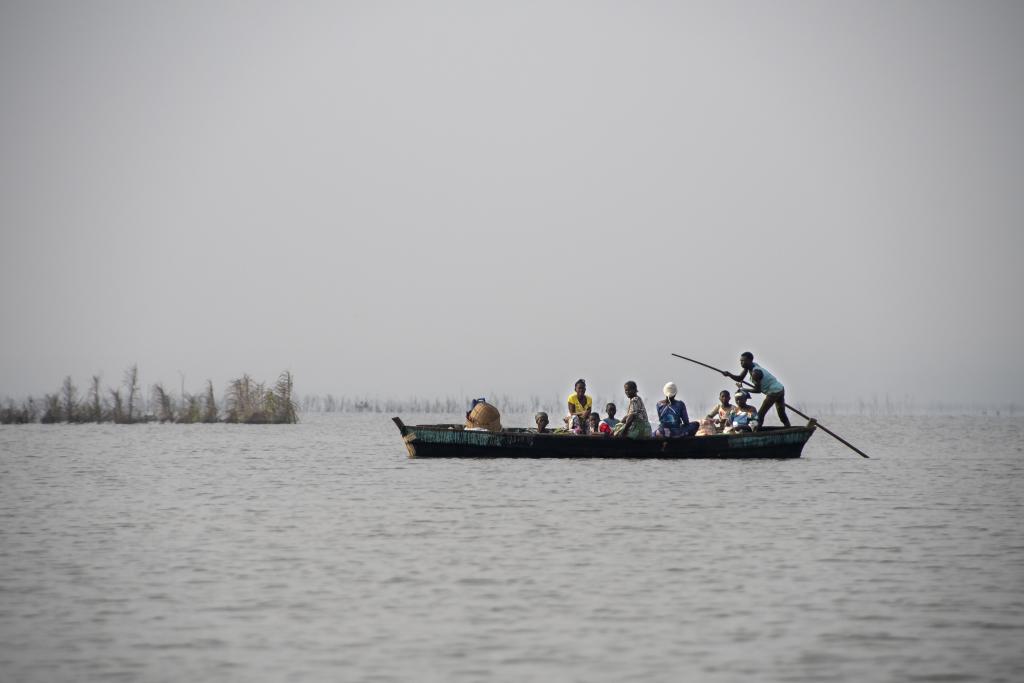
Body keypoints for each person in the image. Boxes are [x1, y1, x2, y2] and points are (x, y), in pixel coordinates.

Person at [723, 351, 790, 428]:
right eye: (740, 361)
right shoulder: (748, 367)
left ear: (749, 361)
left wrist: (744, 389)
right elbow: (740, 378)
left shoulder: (756, 373)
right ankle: (788, 426)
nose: (741, 363)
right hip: (780, 388)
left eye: (743, 361)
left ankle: (756, 430)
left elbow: (758, 390)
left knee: (761, 413)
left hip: (774, 392)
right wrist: (729, 374)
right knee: (781, 412)